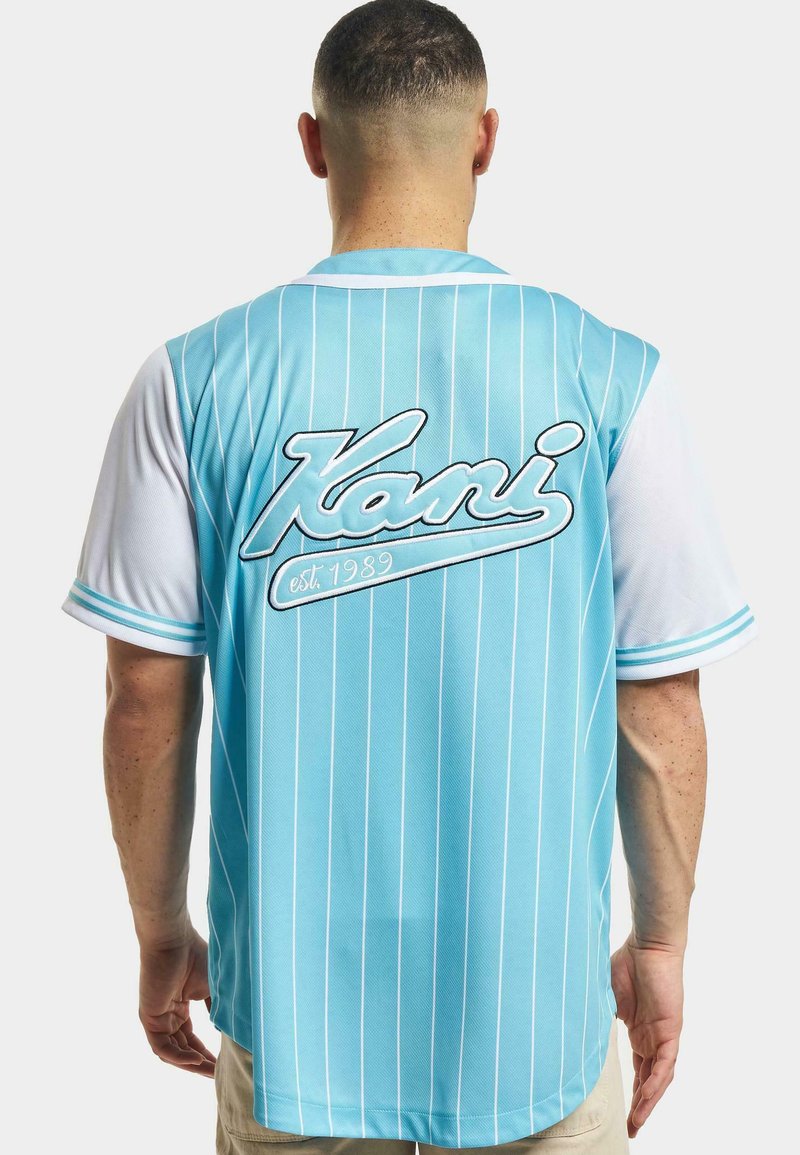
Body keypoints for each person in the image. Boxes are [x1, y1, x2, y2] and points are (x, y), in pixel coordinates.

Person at [61, 2, 757, 1153]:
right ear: (485, 137)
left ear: (311, 142)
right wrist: (660, 946)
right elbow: (660, 704)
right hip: (535, 1023)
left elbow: (144, 698)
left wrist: (159, 931)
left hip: (293, 1033)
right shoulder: (612, 376)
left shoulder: (193, 380)